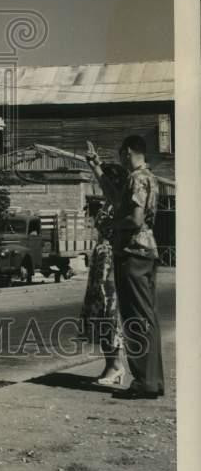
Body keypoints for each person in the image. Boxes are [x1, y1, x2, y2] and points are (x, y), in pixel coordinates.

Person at [87, 135, 164, 400]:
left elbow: (133, 217)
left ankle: (143, 381)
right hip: (148, 251)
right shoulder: (151, 178)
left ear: (128, 152)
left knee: (135, 319)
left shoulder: (136, 178)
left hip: (132, 252)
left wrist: (113, 225)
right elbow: (118, 199)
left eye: (121, 154)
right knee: (148, 317)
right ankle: (153, 379)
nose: (120, 158)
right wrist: (96, 166)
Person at [79, 145, 126, 386]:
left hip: (110, 260)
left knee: (110, 310)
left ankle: (116, 365)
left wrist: (95, 165)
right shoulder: (109, 203)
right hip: (101, 260)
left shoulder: (120, 203)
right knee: (100, 311)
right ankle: (111, 364)